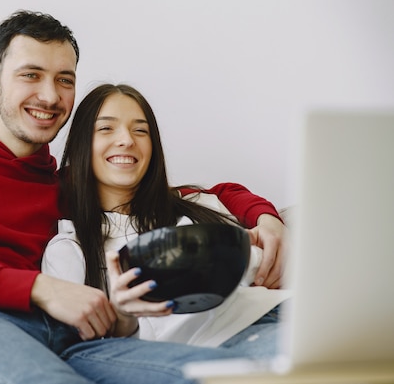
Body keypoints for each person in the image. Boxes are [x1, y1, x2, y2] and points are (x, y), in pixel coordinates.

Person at [0, 10, 287, 384]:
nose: (50, 96)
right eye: (30, 74)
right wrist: (39, 287)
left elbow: (194, 194)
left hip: (70, 335)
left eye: (63, 80)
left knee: (215, 376)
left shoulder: (68, 186)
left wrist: (265, 216)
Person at [42, 83, 291, 348]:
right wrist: (121, 316)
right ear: (82, 144)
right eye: (106, 128)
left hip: (292, 308)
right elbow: (81, 350)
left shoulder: (197, 204)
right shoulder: (70, 249)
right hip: (238, 341)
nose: (127, 140)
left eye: (140, 130)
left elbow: (229, 196)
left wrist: (269, 223)